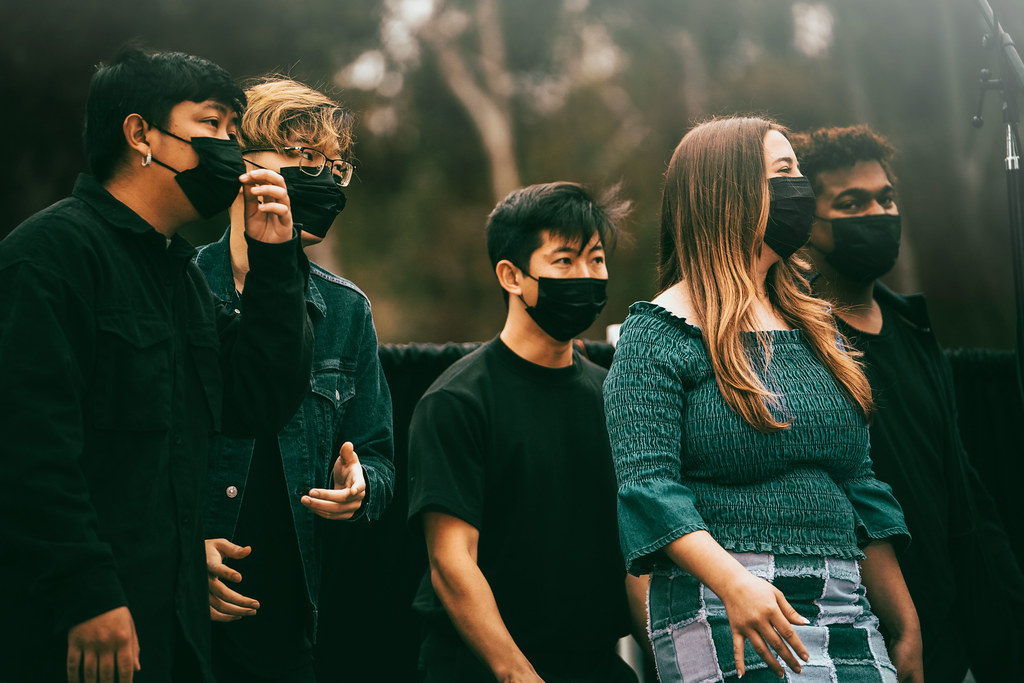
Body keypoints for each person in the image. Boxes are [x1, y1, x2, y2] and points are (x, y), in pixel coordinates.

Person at [0, 47, 313, 683]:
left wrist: (276, 260)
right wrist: (87, 593)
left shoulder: (180, 278)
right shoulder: (49, 258)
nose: (230, 148)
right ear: (141, 133)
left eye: (234, 131)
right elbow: (28, 449)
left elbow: (258, 399)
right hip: (76, 632)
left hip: (172, 628)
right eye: (212, 125)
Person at [603, 116, 923, 682]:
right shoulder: (658, 333)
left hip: (845, 600)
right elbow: (648, 490)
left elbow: (860, 483)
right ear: (730, 192)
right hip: (725, 604)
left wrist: (905, 625)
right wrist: (735, 585)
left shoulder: (815, 325)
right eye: (784, 172)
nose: (800, 187)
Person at [792, 124, 1024, 682]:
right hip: (865, 635)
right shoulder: (801, 344)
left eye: (885, 198)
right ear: (805, 223)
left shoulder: (912, 327)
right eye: (851, 203)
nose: (877, 213)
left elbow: (961, 487)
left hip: (956, 628)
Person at [195, 76, 395, 683]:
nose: (325, 179)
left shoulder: (346, 310)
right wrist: (181, 554)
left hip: (293, 627)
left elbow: (383, 463)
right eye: (305, 159)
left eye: (334, 166)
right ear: (240, 163)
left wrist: (361, 487)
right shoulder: (176, 291)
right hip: (185, 627)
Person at [407, 182, 636, 683]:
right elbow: (451, 561)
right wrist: (515, 674)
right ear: (512, 276)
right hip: (482, 669)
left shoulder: (615, 397)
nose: (587, 276)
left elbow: (637, 552)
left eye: (596, 260)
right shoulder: (457, 402)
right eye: (564, 261)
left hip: (594, 663)